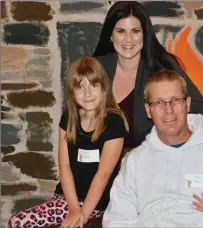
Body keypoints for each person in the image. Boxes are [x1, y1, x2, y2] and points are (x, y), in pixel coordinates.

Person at [8, 57, 129, 228]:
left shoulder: (114, 122)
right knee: (16, 222)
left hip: (97, 204)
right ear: (72, 91)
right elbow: (64, 167)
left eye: (93, 85)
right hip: (67, 199)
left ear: (104, 88)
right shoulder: (69, 118)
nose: (87, 94)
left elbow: (103, 175)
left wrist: (83, 214)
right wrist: (73, 208)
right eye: (80, 87)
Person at [102, 70, 203, 227]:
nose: (168, 110)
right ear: (148, 110)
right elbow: (118, 219)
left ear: (187, 104)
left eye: (175, 100)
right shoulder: (135, 161)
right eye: (158, 103)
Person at [93, 1, 203, 148]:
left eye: (135, 31)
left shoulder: (162, 65)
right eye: (120, 31)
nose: (128, 39)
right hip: (100, 161)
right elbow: (73, 117)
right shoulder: (95, 68)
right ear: (110, 35)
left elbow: (199, 107)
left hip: (150, 158)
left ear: (144, 34)